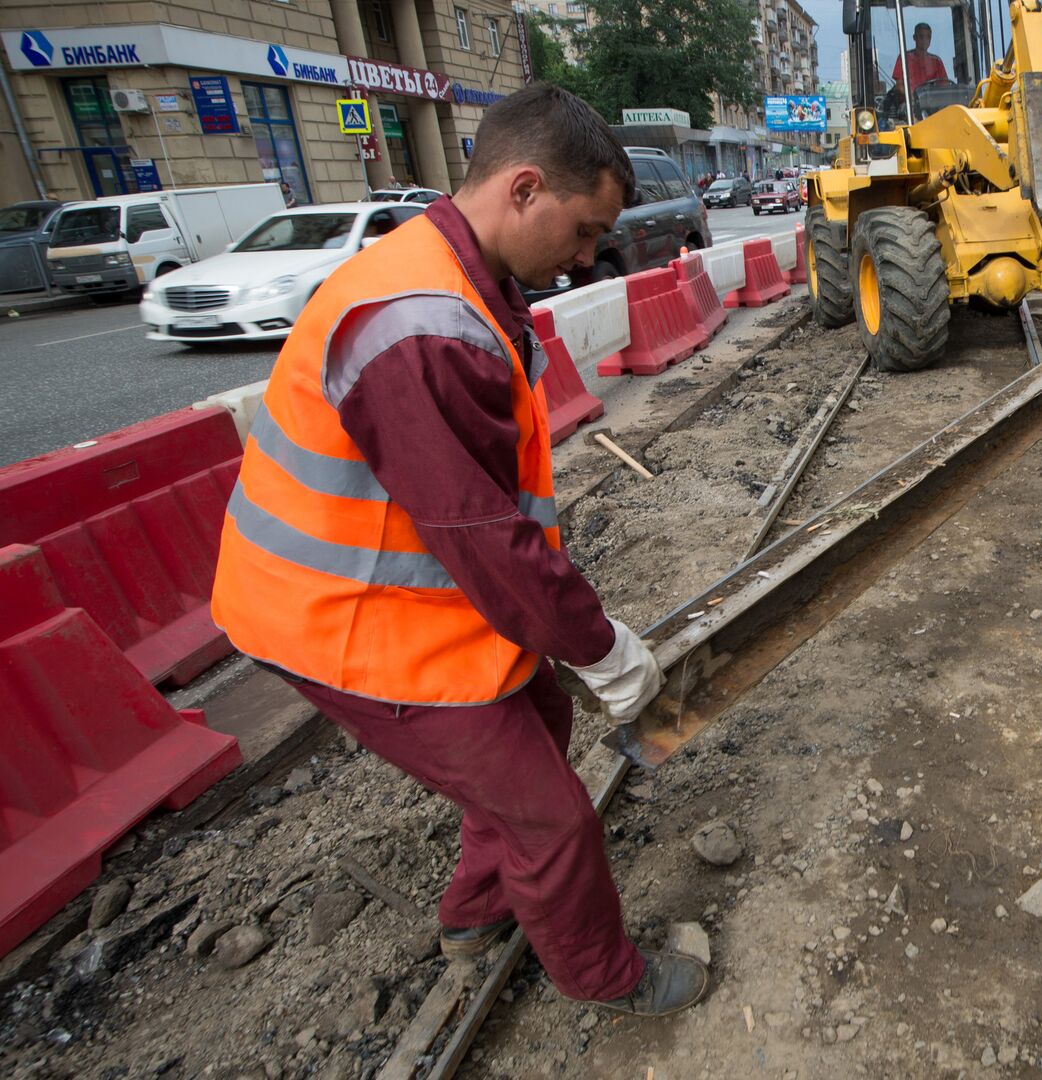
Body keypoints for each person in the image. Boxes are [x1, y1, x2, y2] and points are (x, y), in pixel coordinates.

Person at [209, 83, 709, 1020]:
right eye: (585, 230)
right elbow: (486, 538)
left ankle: (477, 918)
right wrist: (600, 646)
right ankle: (607, 978)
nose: (587, 257)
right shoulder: (422, 329)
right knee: (554, 817)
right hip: (335, 620)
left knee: (540, 718)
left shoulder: (457, 278)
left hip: (393, 591)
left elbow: (481, 523)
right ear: (524, 189)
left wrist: (575, 645)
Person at [892, 22, 950, 92]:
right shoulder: (904, 58)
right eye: (921, 36)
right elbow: (899, 86)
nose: (925, 40)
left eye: (928, 37)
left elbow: (945, 86)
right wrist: (912, 98)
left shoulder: (937, 61)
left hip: (934, 101)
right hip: (910, 101)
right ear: (914, 38)